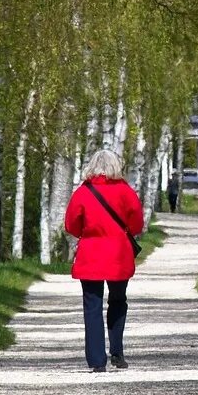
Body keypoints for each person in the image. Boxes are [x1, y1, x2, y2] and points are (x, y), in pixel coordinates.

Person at [64, 148, 145, 372]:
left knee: (92, 306)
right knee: (118, 301)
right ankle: (117, 353)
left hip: (91, 255)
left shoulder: (82, 192)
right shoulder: (125, 191)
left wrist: (88, 233)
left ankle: (97, 361)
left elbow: (71, 225)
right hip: (119, 254)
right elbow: (137, 224)